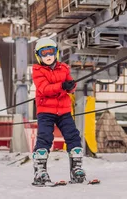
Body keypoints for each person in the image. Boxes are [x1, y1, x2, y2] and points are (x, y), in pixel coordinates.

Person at [31, 37, 85, 186]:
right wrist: (62, 86)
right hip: (45, 111)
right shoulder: (37, 71)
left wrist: (70, 86)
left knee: (73, 136)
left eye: (51, 52)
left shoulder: (64, 68)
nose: (48, 56)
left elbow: (70, 85)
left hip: (64, 110)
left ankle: (77, 169)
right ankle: (40, 171)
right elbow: (45, 89)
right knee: (45, 137)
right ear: (38, 55)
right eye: (44, 53)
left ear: (56, 53)